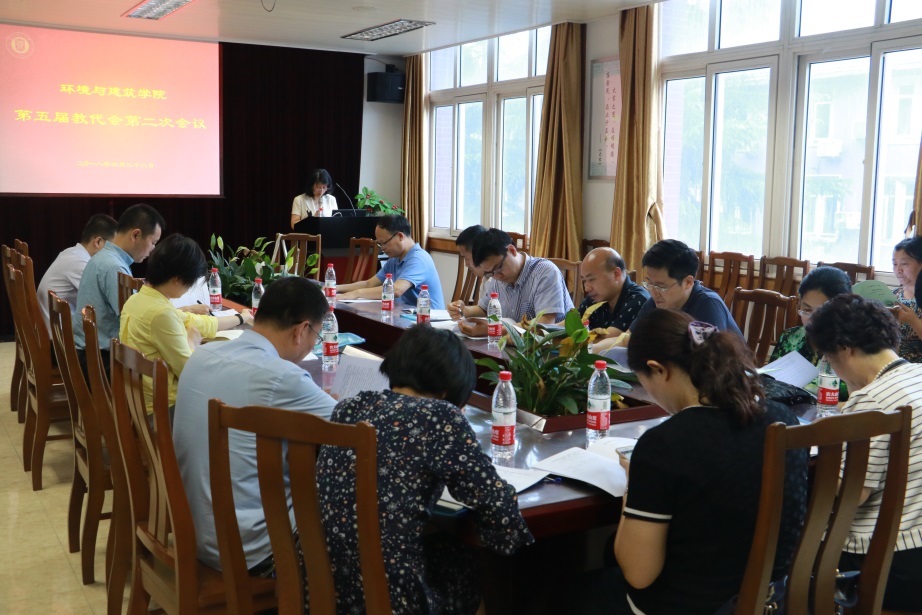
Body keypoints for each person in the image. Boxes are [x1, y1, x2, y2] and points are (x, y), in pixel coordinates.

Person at [317, 324, 534, 614]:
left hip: (324, 588)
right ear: (447, 391)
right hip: (390, 601)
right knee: (471, 572)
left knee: (447, 550)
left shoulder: (349, 407)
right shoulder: (439, 416)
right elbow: (498, 509)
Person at [607, 309, 807, 614]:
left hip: (691, 605)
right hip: (771, 600)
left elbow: (639, 574)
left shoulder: (664, 444)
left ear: (658, 370)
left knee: (571, 591)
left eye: (643, 381)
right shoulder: (784, 418)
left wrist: (633, 485)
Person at [173, 276, 336, 574]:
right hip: (251, 549)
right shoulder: (282, 376)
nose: (314, 343)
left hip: (190, 532)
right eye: (316, 335)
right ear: (301, 330)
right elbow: (351, 427)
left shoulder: (202, 355)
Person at [805, 294, 922, 611]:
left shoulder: (872, 401)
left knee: (790, 540)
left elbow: (851, 494)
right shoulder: (917, 375)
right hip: (915, 551)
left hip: (890, 563)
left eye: (829, 358)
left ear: (844, 349)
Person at [119, 234, 253, 411]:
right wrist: (191, 342)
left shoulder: (138, 300)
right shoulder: (161, 314)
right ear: (177, 280)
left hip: (140, 403)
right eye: (191, 283)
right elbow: (190, 373)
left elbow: (196, 321)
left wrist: (242, 317)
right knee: (236, 392)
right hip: (164, 409)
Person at [72, 203, 165, 375]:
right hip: (100, 360)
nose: (152, 250)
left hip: (88, 354)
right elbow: (137, 321)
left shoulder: (103, 257)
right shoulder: (114, 266)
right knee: (165, 370)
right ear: (135, 235)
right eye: (153, 242)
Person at [448, 228, 573, 336]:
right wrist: (463, 310)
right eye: (490, 273)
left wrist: (494, 330)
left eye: (499, 267)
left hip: (552, 350)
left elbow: (545, 323)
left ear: (512, 250)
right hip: (513, 347)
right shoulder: (496, 275)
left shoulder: (545, 272)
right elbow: (484, 309)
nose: (497, 276)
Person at [627, 239, 742, 338]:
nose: (653, 293)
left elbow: (707, 355)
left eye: (661, 286)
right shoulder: (654, 303)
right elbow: (628, 339)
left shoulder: (707, 305)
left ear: (688, 282)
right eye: (649, 283)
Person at [337, 214, 445, 309]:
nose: (382, 248)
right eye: (380, 244)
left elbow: (397, 289)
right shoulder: (394, 259)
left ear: (400, 236)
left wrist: (356, 293)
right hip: (406, 315)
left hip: (428, 320)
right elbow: (369, 284)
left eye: (384, 243)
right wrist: (336, 288)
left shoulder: (418, 258)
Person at [36, 213, 117, 335]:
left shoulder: (71, 252)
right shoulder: (80, 263)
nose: (113, 254)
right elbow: (105, 303)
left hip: (53, 328)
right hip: (59, 338)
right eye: (112, 248)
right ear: (98, 242)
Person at [769, 265, 852, 365]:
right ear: (799, 303)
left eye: (822, 312)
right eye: (807, 309)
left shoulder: (850, 349)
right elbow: (771, 374)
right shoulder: (790, 338)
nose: (813, 320)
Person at [576, 247, 649, 342]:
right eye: (584, 281)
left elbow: (608, 340)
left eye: (591, 279)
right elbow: (571, 323)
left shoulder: (638, 300)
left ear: (616, 274)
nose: (587, 288)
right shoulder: (596, 297)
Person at [891, 236, 922, 362]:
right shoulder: (893, 296)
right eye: (894, 264)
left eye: (904, 264)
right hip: (894, 365)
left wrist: (912, 320)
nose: (898, 270)